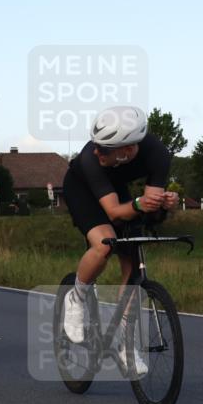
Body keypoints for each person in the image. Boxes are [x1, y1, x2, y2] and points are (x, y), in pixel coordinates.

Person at [61, 106, 179, 376]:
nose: (96, 151)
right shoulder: (91, 159)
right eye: (97, 146)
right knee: (105, 243)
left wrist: (163, 203)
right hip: (82, 189)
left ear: (127, 150)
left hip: (115, 189)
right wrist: (139, 202)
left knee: (132, 259)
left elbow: (151, 210)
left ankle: (126, 343)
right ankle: (76, 297)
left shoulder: (158, 154)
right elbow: (114, 211)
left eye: (104, 149)